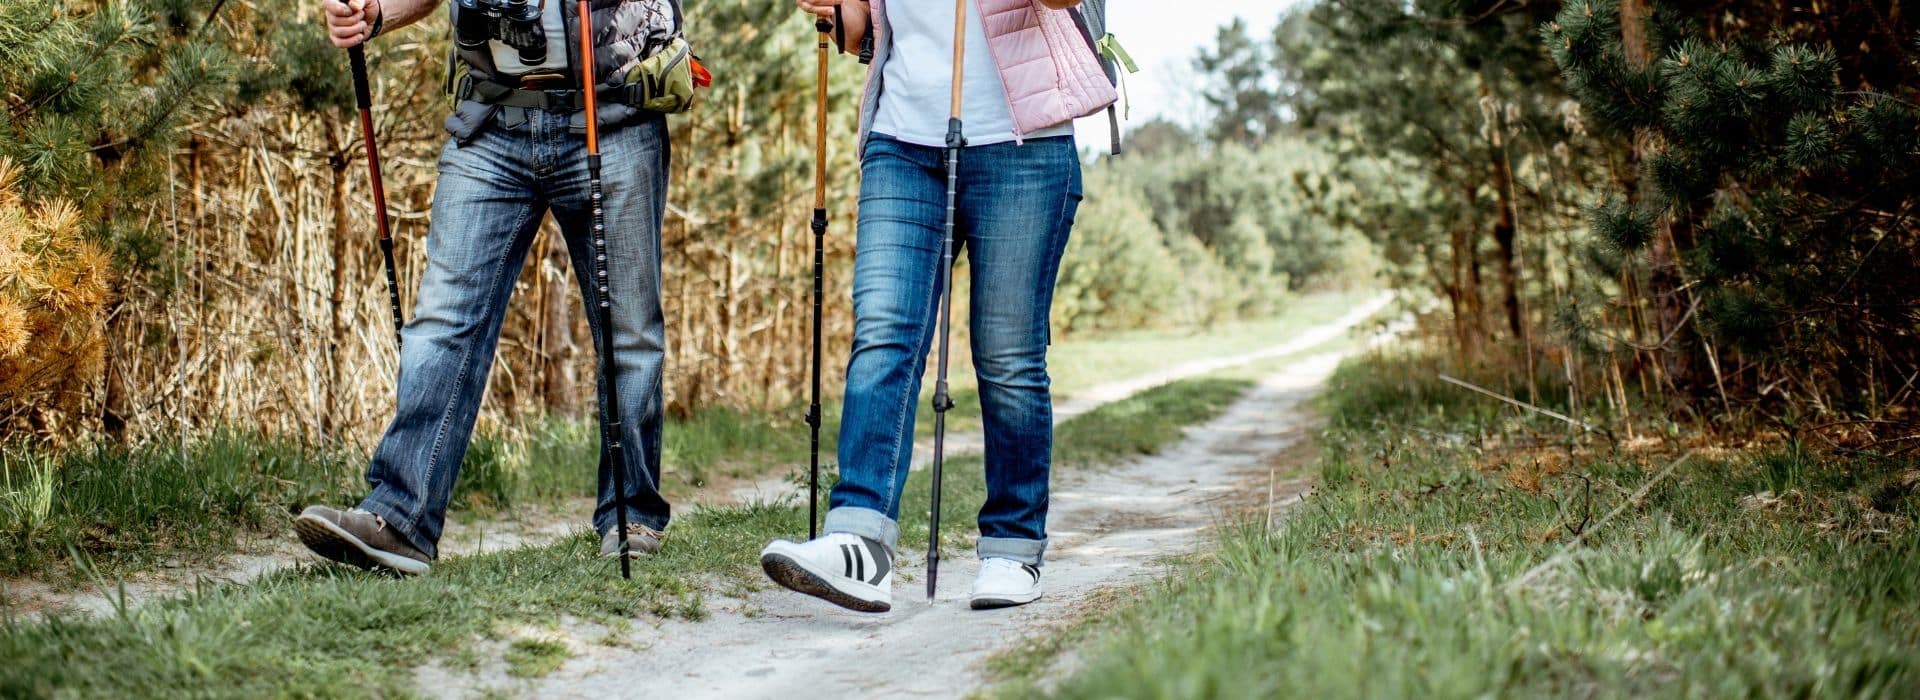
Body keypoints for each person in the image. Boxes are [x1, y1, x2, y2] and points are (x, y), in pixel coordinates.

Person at [295, 0, 686, 574]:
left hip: (616, 114)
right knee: (442, 321)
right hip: (492, 119)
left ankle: (632, 516)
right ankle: (400, 518)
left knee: (629, 331)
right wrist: (376, 14)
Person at [759, 0, 1115, 611]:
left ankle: (1012, 545)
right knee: (883, 335)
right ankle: (860, 542)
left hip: (1022, 144)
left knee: (1008, 356)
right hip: (903, 140)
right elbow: (861, 31)